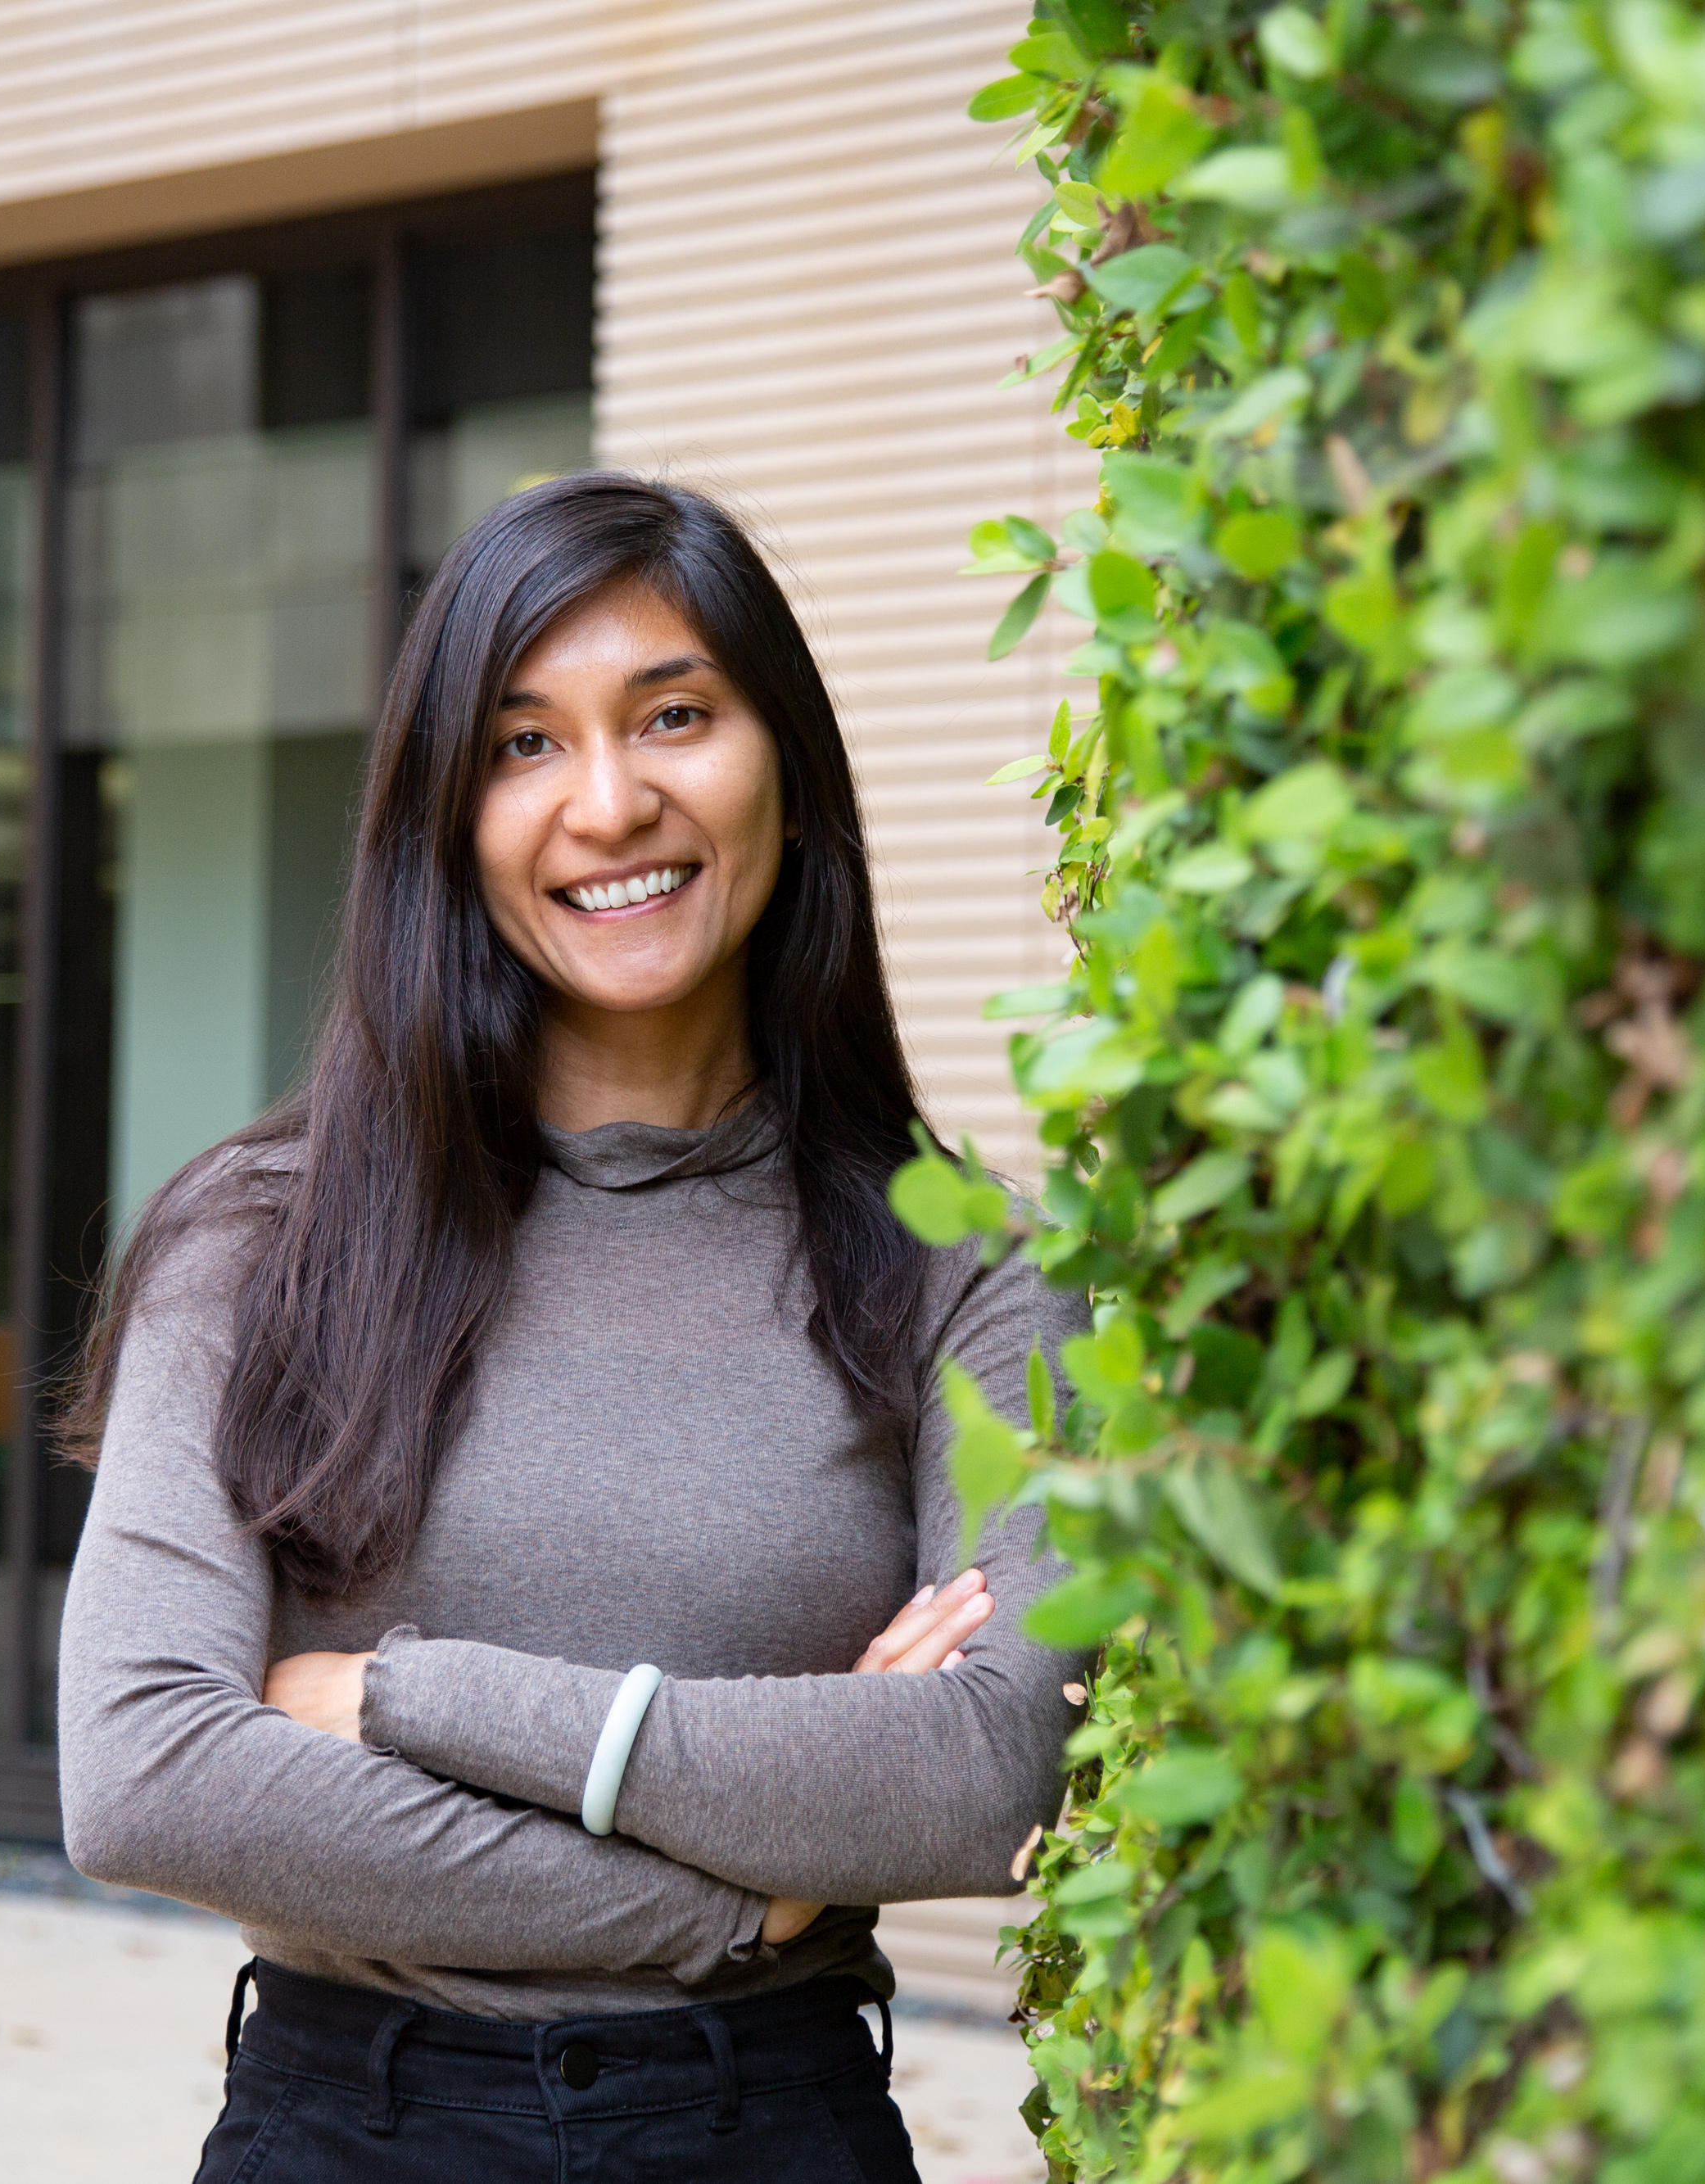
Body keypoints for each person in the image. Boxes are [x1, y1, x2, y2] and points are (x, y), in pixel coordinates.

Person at [54, 472, 1086, 2182]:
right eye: (523, 744)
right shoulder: (259, 1240)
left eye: (672, 715)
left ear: (782, 762)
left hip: (771, 2133)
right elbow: (148, 1770)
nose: (608, 802)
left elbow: (986, 1767)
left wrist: (397, 1692)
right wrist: (735, 1888)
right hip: (351, 2130)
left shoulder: (952, 1260)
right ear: (446, 819)